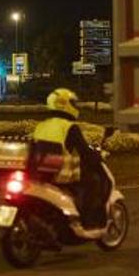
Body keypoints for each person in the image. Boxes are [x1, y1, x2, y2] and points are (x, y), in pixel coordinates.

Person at [32, 88, 108, 228]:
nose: (75, 106)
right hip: (61, 175)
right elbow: (84, 152)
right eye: (73, 103)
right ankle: (88, 221)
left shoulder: (41, 126)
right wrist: (96, 158)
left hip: (41, 174)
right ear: (64, 104)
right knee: (93, 183)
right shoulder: (70, 127)